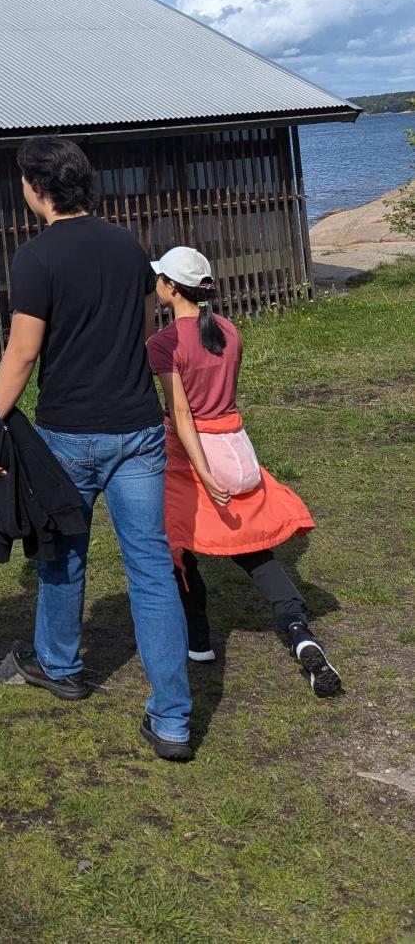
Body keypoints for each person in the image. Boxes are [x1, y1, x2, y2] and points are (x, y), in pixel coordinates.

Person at [0, 136, 194, 761]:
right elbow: (141, 335)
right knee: (152, 569)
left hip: (69, 433)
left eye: (24, 181)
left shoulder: (35, 258)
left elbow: (22, 354)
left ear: (39, 189)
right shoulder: (130, 248)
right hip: (137, 428)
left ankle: (60, 664)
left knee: (62, 552)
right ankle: (174, 719)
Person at [148, 247, 342, 697]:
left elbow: (181, 412)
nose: (155, 283)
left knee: (178, 545)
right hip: (236, 449)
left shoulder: (162, 344)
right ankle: (299, 631)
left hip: (190, 455)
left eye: (159, 277)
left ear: (171, 287)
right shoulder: (229, 331)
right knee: (254, 549)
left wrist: (202, 472)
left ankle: (198, 642)